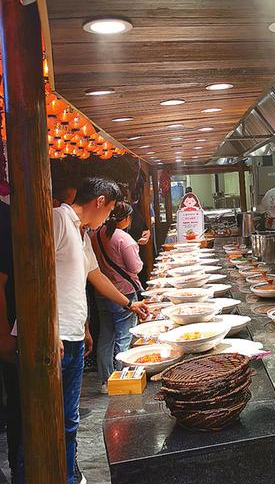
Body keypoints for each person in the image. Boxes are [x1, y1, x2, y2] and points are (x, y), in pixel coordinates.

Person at [53, 177, 149, 484]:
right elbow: (35, 273)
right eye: (109, 210)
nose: (108, 218)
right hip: (55, 338)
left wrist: (129, 304)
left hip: (73, 335)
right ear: (100, 201)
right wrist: (49, 329)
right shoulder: (59, 219)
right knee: (52, 416)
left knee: (70, 416)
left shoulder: (82, 233)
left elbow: (95, 277)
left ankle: (70, 472)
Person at [90, 201, 143, 393]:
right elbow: (135, 267)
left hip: (102, 293)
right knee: (124, 336)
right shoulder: (124, 239)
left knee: (106, 337)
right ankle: (122, 378)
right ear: (127, 218)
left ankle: (106, 381)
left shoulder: (94, 235)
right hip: (123, 294)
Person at [0, 200, 24, 483]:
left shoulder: (8, 215)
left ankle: (20, 470)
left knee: (18, 403)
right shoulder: (6, 216)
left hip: (16, 326)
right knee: (18, 404)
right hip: (11, 330)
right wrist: (4, 336)